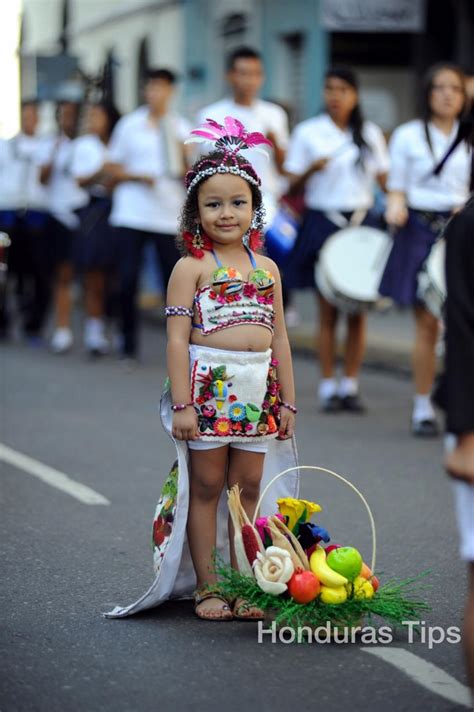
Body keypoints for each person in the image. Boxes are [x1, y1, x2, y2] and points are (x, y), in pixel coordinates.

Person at [104, 118, 299, 623]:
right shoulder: (190, 268)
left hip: (259, 391)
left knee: (248, 491)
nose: (226, 212)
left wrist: (288, 400)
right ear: (194, 212)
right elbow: (175, 338)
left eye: (238, 202)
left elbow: (279, 338)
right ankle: (207, 588)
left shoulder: (268, 268)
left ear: (256, 208)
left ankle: (246, 585)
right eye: (213, 204)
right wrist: (185, 406)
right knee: (208, 487)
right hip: (207, 393)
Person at [283, 67, 389, 413]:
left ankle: (351, 384)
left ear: (354, 95)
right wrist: (312, 169)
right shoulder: (308, 132)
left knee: (359, 309)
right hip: (323, 221)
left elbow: (385, 180)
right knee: (328, 309)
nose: (335, 95)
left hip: (360, 222)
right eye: (329, 88)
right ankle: (328, 384)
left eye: (343, 89)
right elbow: (291, 187)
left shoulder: (369, 134)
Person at [380, 63, 470, 436]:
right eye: (439, 87)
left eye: (455, 88)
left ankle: (457, 399)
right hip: (419, 226)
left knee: (462, 323)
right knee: (428, 322)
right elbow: (396, 186)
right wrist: (395, 206)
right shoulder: (407, 135)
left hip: (462, 229)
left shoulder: (470, 136)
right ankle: (422, 407)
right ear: (427, 93)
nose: (447, 94)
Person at [106, 68, 190, 361]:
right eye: (150, 86)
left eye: (161, 87)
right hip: (132, 213)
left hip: (168, 215)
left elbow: (191, 173)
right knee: (128, 278)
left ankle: (178, 346)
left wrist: (185, 155)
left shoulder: (181, 127)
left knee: (175, 283)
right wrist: (136, 177)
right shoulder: (130, 125)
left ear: (170, 91)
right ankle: (127, 342)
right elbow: (112, 166)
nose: (155, 92)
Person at [197, 47, 289, 230]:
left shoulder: (274, 114)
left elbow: (284, 167)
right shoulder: (211, 115)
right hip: (225, 203)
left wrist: (275, 144)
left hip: (264, 201)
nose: (250, 80)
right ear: (230, 76)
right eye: (243, 73)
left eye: (256, 74)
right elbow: (204, 164)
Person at [70, 101, 121, 355]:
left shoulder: (120, 141)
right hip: (96, 211)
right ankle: (94, 333)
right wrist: (103, 171)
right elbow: (80, 180)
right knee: (94, 274)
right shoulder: (83, 145)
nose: (92, 119)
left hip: (122, 208)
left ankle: (119, 328)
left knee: (120, 275)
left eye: (97, 114)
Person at [0, 100, 51, 342]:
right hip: (8, 212)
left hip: (36, 214)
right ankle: (3, 322)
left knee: (39, 273)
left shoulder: (48, 147)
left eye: (33, 115)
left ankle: (34, 324)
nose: (29, 119)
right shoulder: (6, 145)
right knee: (4, 271)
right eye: (25, 115)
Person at [40, 101, 88, 354]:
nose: (67, 120)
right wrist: (53, 154)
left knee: (96, 276)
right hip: (61, 216)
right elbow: (42, 178)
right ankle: (62, 329)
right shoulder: (51, 144)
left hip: (88, 215)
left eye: (71, 115)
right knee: (63, 275)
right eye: (62, 115)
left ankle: (96, 331)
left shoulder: (88, 143)